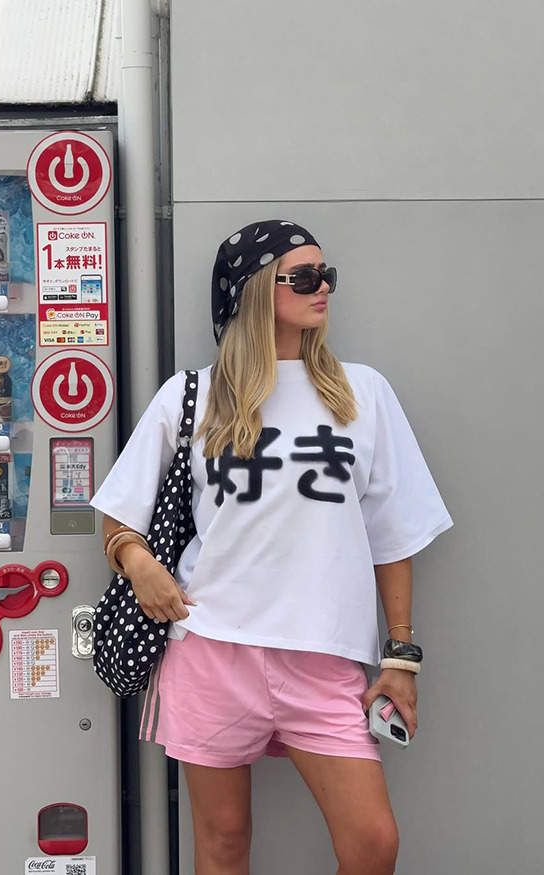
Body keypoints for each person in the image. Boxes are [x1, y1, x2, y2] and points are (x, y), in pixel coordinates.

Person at [90, 219, 452, 875]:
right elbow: (117, 518)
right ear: (255, 290)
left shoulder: (361, 392)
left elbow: (393, 531)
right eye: (306, 277)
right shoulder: (192, 397)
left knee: (373, 843)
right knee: (224, 844)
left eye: (327, 276)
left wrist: (402, 654)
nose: (324, 290)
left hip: (324, 657)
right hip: (211, 650)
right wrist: (139, 564)